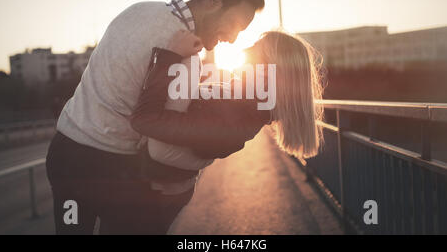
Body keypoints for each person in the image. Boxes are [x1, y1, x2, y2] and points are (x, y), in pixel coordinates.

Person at [45, 0, 265, 234]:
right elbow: (161, 135)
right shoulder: (184, 53)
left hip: (65, 153)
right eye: (235, 25)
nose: (232, 38)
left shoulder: (137, 10)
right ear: (215, 0)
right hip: (111, 169)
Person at [129, 29, 325, 219]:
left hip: (154, 191)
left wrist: (169, 56)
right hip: (156, 183)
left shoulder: (239, 114)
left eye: (255, 47)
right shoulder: (242, 103)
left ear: (268, 69)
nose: (244, 51)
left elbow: (146, 120)